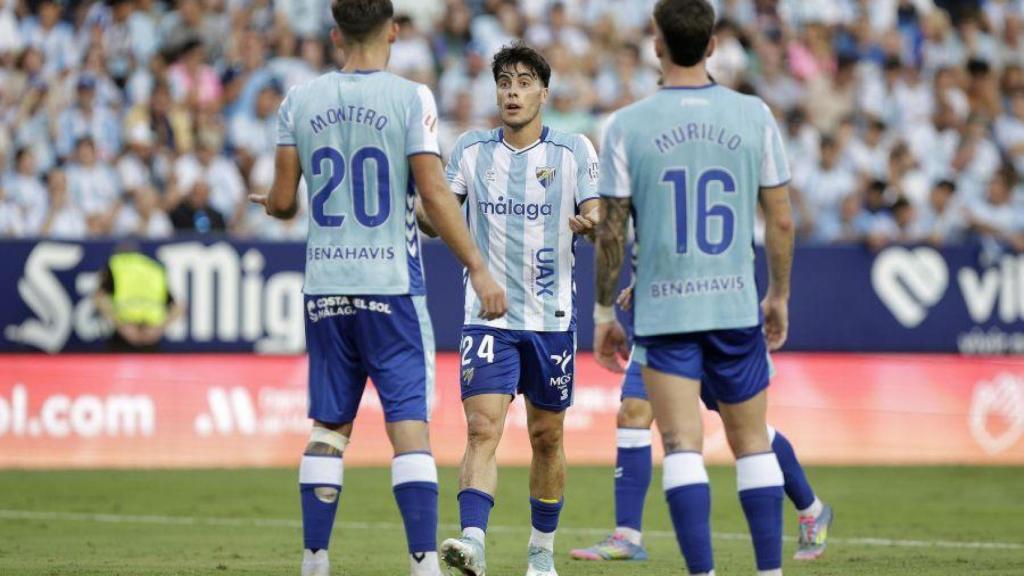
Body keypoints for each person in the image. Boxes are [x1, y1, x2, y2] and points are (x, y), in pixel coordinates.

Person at [248, 1, 507, 575]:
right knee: (407, 426)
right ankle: (421, 565)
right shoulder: (410, 97)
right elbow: (435, 193)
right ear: (392, 30)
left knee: (328, 427)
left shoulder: (299, 100)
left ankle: (314, 561)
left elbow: (286, 202)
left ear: (336, 34)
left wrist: (272, 203)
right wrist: (479, 270)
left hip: (326, 289)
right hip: (390, 285)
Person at [593, 1, 796, 575]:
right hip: (734, 304)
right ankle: (769, 572)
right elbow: (781, 220)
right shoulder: (754, 114)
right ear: (712, 47)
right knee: (752, 442)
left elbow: (611, 231)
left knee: (682, 444)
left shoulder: (627, 125)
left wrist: (604, 310)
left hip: (664, 311)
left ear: (656, 43)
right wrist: (777, 294)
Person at [435, 43, 601, 576]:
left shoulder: (574, 151)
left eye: (524, 81)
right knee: (483, 428)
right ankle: (473, 542)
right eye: (504, 81)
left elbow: (598, 209)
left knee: (545, 437)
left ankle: (540, 552)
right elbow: (436, 214)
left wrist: (593, 221)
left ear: (543, 93)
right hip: (488, 317)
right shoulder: (470, 150)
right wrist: (422, 207)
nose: (512, 91)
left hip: (552, 321)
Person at [571, 285, 833, 563]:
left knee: (746, 429)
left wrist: (778, 295)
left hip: (716, 317)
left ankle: (811, 509)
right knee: (632, 412)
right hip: (662, 318)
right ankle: (627, 536)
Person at [95, 242, 183, 352]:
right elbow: (179, 307)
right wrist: (159, 328)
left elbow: (99, 298)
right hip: (151, 336)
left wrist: (121, 325)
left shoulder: (116, 265)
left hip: (123, 336)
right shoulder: (154, 269)